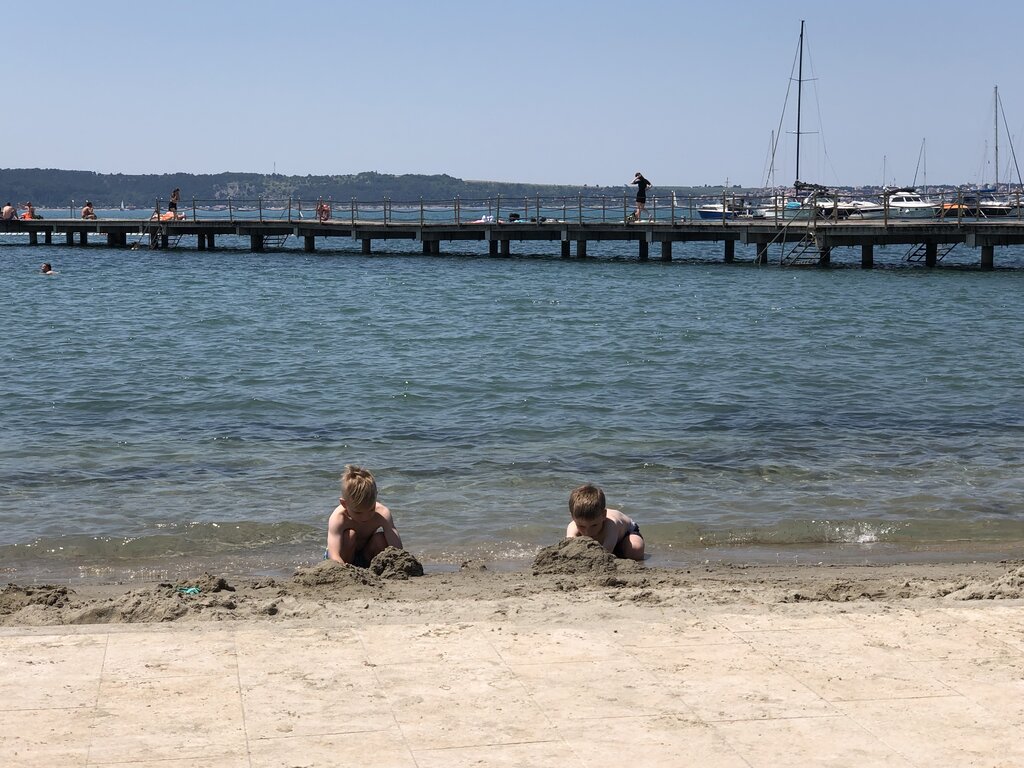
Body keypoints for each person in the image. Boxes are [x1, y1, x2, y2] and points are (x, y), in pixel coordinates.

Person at [326, 464, 403, 567]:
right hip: (342, 558)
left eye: (371, 509)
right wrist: (343, 571)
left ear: (376, 498)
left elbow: (397, 550)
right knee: (350, 535)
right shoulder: (338, 518)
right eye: (358, 512)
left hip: (366, 555)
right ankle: (348, 569)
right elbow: (334, 555)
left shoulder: (382, 513)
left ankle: (371, 569)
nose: (365, 517)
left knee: (380, 539)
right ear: (344, 504)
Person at [565, 484, 644, 561]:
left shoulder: (611, 525)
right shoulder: (572, 527)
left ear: (603, 515)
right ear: (573, 518)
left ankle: (621, 549)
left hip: (626, 534)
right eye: (582, 526)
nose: (588, 532)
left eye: (594, 525)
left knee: (635, 551)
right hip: (608, 541)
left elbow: (605, 553)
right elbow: (570, 546)